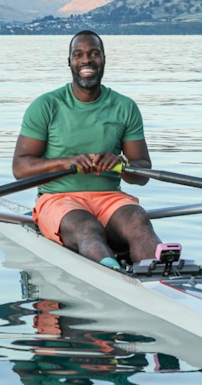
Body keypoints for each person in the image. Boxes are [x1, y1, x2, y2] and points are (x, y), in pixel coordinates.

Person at [12, 30, 164, 270]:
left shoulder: (125, 106)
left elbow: (142, 172)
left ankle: (162, 277)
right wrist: (66, 163)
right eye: (78, 54)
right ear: (70, 61)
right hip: (58, 199)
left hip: (110, 198)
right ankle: (111, 273)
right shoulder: (46, 105)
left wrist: (122, 165)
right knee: (86, 227)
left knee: (138, 221)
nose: (86, 60)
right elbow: (20, 168)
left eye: (94, 54)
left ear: (103, 59)